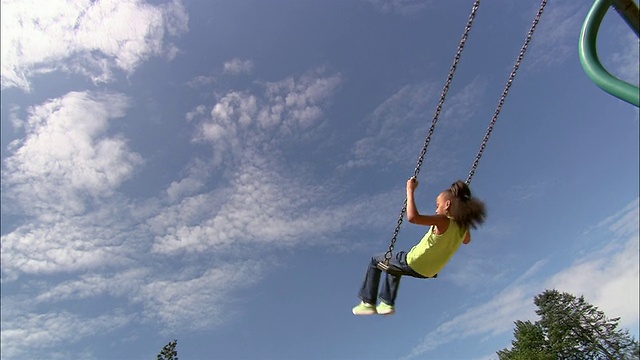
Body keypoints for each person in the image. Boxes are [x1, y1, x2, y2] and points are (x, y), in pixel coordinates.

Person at [352, 177, 486, 315]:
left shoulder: (443, 220)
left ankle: (367, 302)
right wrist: (464, 217)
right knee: (393, 266)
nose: (436, 210)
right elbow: (467, 240)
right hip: (429, 272)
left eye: (437, 205)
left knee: (376, 260)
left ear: (447, 205)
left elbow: (413, 217)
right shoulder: (462, 229)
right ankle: (386, 303)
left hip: (415, 261)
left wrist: (410, 191)